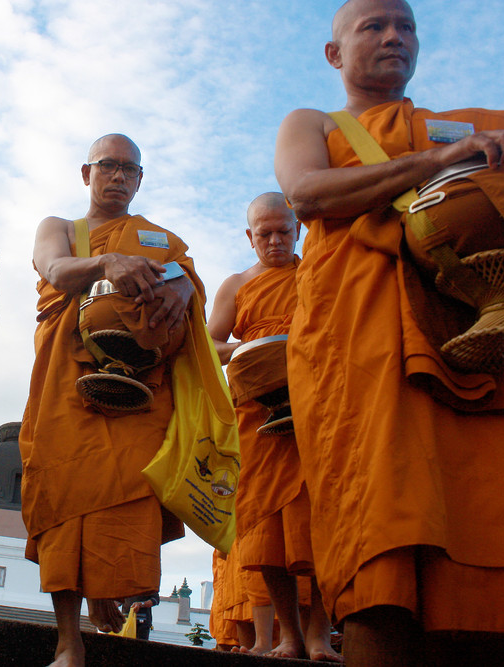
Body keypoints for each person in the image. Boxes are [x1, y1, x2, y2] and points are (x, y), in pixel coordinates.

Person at [274, 1, 504, 664]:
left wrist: (487, 158)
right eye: (374, 26)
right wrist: (440, 162)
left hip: (467, 336)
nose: (393, 37)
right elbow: (309, 195)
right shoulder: (314, 123)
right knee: (380, 526)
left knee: (480, 525)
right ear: (334, 54)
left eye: (406, 26)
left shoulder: (456, 126)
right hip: (361, 348)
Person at [21, 134, 201, 667]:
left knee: (128, 496)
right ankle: (67, 640)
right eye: (108, 167)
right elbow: (55, 271)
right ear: (86, 173)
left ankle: (116, 609)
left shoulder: (161, 239)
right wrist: (106, 264)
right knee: (65, 496)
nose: (118, 177)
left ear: (140, 179)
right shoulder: (62, 229)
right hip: (65, 386)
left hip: (140, 393)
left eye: (129, 170)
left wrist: (188, 289)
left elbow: (186, 281)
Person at [207, 193, 340, 661]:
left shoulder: (319, 269)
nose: (275, 240)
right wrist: (256, 348)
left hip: (315, 407)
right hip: (260, 414)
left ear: (298, 229)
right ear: (249, 237)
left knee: (321, 523)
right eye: (264, 233)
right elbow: (209, 346)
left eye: (284, 230)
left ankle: (320, 634)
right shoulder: (237, 286)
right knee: (265, 530)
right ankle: (289, 636)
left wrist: (299, 343)